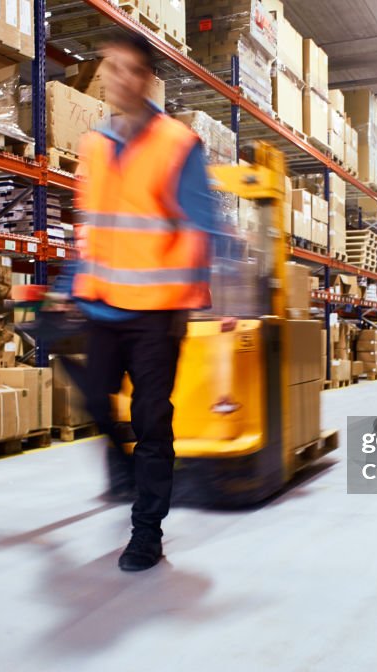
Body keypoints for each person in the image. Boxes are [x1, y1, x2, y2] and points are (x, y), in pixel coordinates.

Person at [67, 30, 220, 572]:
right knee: (91, 401)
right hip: (103, 303)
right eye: (113, 68)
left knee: (151, 420)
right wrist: (68, 286)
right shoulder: (93, 145)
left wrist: (203, 294)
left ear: (147, 79)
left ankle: (147, 532)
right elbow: (92, 225)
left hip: (159, 308)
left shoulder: (177, 144)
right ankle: (133, 472)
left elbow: (204, 222)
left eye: (133, 70)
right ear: (103, 75)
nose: (121, 79)